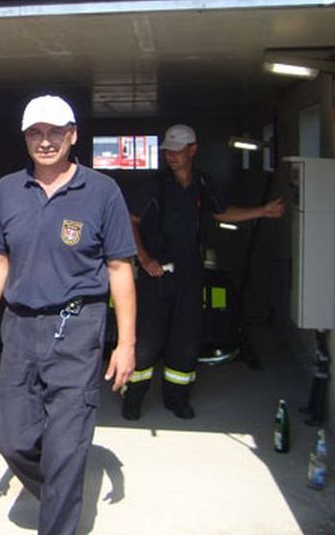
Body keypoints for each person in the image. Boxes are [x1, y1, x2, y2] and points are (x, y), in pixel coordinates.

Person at [0, 95, 137, 535]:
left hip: (78, 328)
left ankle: (60, 507)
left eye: (55, 132)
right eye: (36, 133)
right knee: (10, 437)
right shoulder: (6, 190)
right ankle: (62, 485)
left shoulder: (102, 191)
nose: (45, 142)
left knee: (66, 444)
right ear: (25, 138)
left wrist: (127, 343)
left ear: (73, 135)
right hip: (19, 328)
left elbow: (120, 269)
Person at [122, 123, 285, 420]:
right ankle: (133, 398)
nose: (171, 156)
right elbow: (130, 220)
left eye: (177, 150)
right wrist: (143, 259)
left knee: (186, 338)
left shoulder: (203, 183)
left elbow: (222, 211)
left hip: (189, 272)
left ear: (193, 150)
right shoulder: (154, 185)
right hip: (155, 273)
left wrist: (262, 211)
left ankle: (177, 399)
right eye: (167, 151)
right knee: (147, 338)